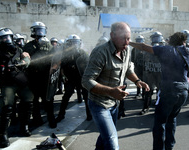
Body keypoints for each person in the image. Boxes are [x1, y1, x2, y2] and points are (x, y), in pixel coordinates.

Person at [82, 22, 149, 150]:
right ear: (112, 36)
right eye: (123, 38)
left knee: (104, 138)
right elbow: (86, 80)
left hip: (114, 104)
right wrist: (111, 91)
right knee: (112, 143)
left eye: (129, 38)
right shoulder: (100, 52)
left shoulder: (127, 50)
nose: (127, 42)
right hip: (99, 104)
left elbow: (128, 69)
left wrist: (137, 81)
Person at [130, 32, 189, 150]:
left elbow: (143, 47)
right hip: (183, 91)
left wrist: (128, 41)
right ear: (183, 42)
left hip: (168, 90)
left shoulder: (166, 50)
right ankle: (169, 147)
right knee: (172, 118)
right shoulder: (187, 51)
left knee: (160, 122)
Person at [0, 27, 33, 148]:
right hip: (6, 82)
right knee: (7, 107)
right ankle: (2, 134)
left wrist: (25, 61)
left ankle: (24, 126)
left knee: (28, 103)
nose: (7, 40)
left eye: (9, 37)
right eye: (4, 38)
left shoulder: (18, 49)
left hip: (20, 79)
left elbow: (26, 58)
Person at [23, 21, 57, 128]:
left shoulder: (49, 46)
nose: (40, 32)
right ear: (33, 32)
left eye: (41, 30)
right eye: (37, 30)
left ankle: (51, 119)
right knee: (34, 100)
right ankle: (37, 119)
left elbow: (54, 59)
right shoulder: (28, 46)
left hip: (45, 77)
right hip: (33, 76)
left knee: (48, 99)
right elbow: (25, 58)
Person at [55, 34, 92, 122]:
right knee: (66, 97)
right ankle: (61, 115)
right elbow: (62, 67)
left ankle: (89, 114)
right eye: (73, 43)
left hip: (81, 78)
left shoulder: (83, 52)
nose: (75, 45)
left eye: (76, 43)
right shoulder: (66, 54)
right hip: (71, 79)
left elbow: (88, 64)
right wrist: (64, 77)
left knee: (87, 97)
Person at [139, 31, 164, 115]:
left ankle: (157, 108)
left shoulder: (163, 48)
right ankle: (146, 108)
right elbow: (144, 62)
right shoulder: (147, 49)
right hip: (150, 73)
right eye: (154, 37)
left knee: (159, 92)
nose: (155, 39)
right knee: (148, 92)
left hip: (159, 73)